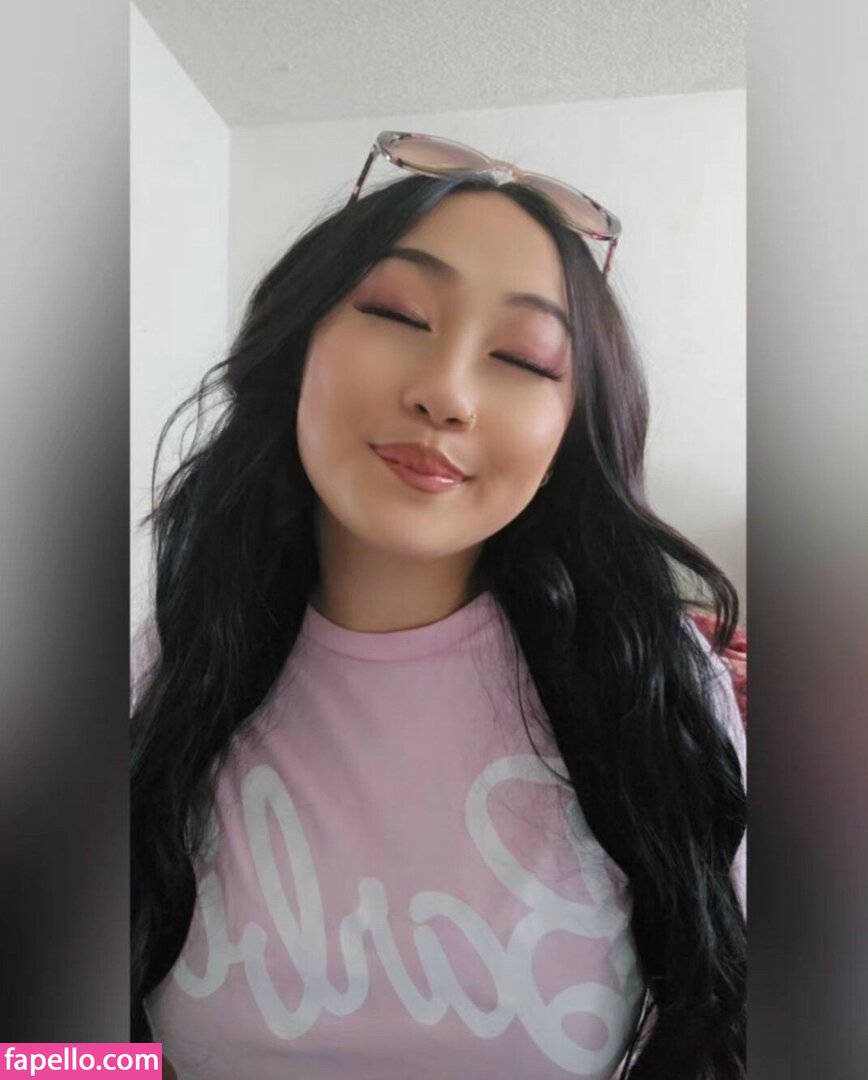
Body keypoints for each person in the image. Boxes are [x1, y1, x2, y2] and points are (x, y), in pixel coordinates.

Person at [131, 133, 746, 1079]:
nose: (447, 393)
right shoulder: (160, 669)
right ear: (298, 348)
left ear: (570, 432)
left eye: (525, 359)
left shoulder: (651, 681)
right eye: (397, 312)